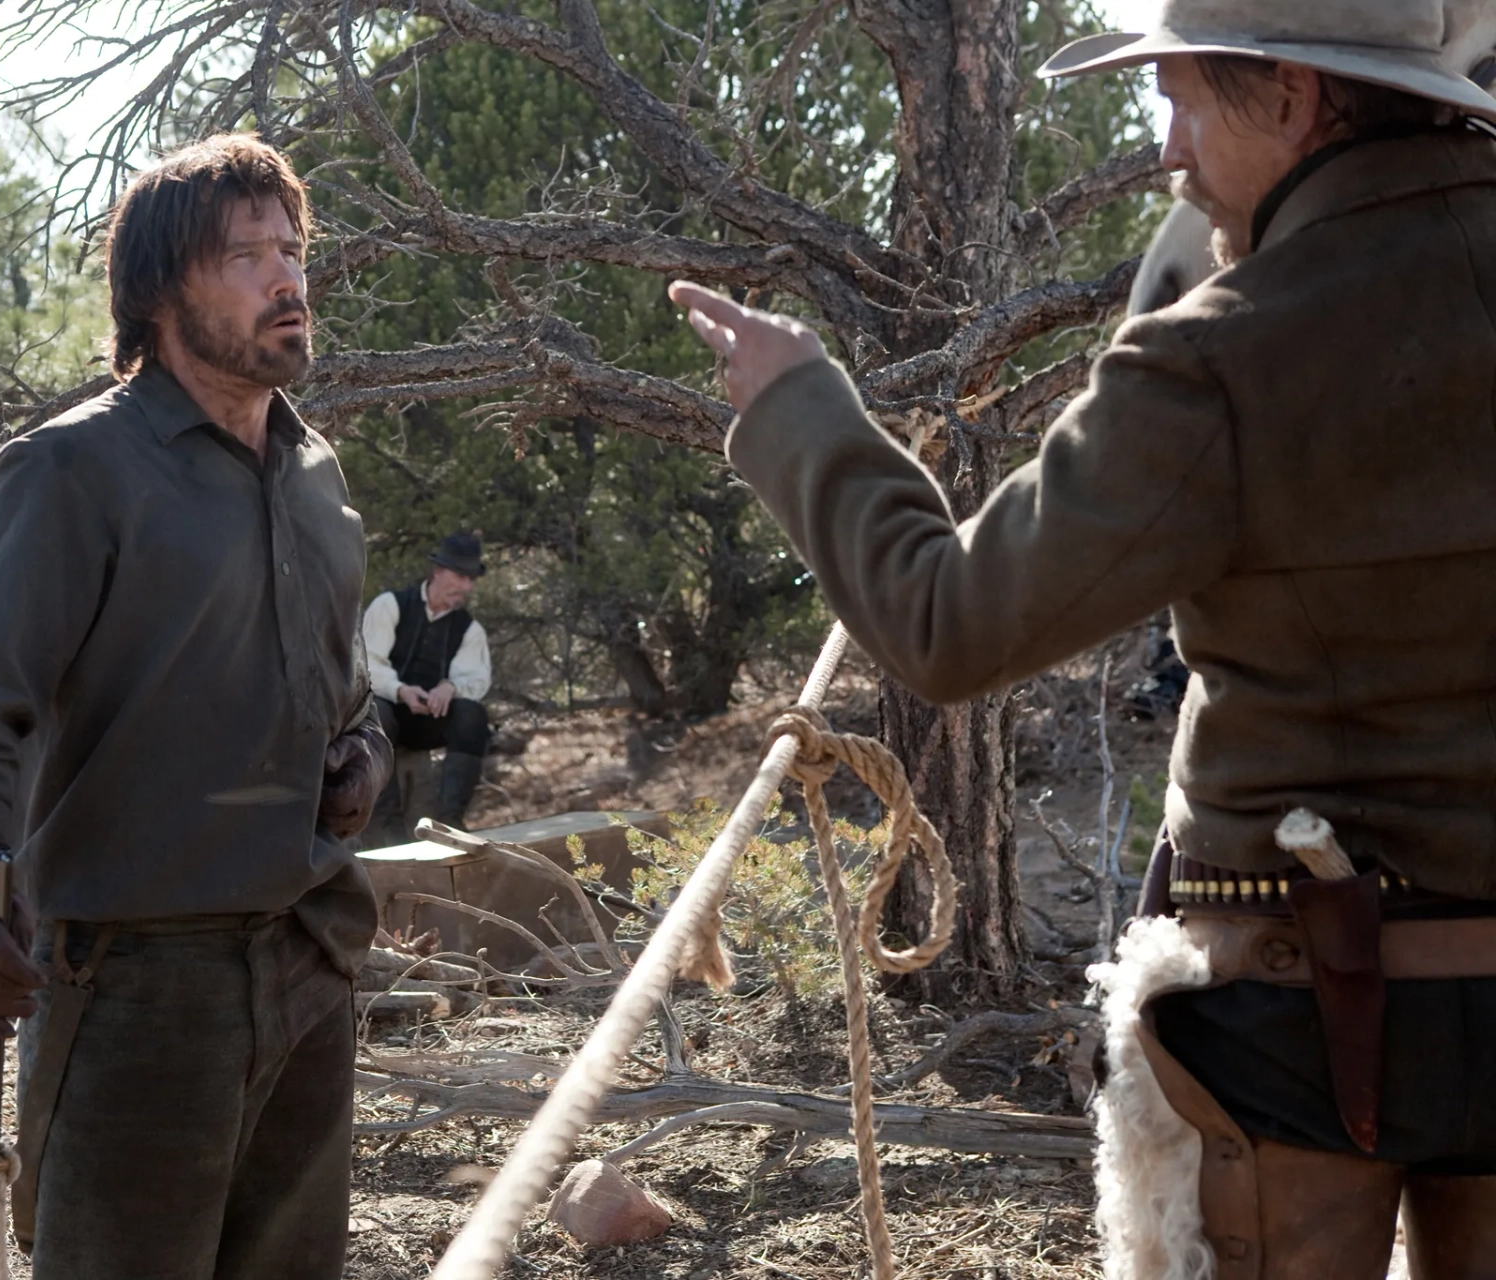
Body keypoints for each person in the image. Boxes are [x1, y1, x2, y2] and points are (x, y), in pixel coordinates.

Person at [671, 0, 1496, 1275]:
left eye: (1183, 98)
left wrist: (800, 415)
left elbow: (945, 622)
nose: (1168, 150)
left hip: (1298, 1021)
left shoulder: (1224, 353)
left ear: (1290, 92)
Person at [0, 133, 390, 1279]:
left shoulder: (318, 479)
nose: (288, 280)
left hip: (311, 957)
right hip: (136, 987)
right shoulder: (72, 470)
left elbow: (343, 688)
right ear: (164, 291)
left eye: (293, 249)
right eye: (247, 255)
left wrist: (359, 753)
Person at [362, 531, 493, 829]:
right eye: (460, 576)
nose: (465, 586)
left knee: (472, 717)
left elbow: (475, 677)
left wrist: (450, 687)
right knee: (372, 711)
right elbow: (367, 664)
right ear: (437, 571)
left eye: (471, 579)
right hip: (387, 716)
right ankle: (386, 822)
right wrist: (401, 691)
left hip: (429, 721)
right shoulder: (390, 606)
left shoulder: (469, 629)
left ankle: (451, 819)